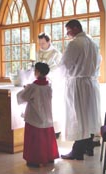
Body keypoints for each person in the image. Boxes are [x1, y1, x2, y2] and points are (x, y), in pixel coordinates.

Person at [60, 19, 101, 160]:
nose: (68, 34)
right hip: (91, 83)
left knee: (78, 118)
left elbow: (65, 65)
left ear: (76, 28)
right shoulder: (93, 43)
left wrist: (56, 77)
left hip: (78, 84)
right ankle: (88, 147)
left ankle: (77, 151)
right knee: (88, 117)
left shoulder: (75, 43)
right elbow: (98, 63)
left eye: (69, 30)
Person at [17, 62, 59, 167]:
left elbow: (22, 97)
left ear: (38, 72)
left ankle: (34, 160)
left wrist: (24, 88)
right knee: (47, 137)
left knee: (34, 139)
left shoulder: (33, 86)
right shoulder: (48, 85)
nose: (34, 72)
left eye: (35, 70)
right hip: (47, 115)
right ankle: (49, 157)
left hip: (34, 116)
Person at [37, 32, 63, 135]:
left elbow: (58, 68)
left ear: (49, 41)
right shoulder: (38, 52)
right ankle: (43, 128)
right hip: (41, 83)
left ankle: (55, 130)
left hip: (53, 83)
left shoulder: (56, 53)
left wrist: (47, 75)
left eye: (43, 43)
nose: (41, 46)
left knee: (53, 106)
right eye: (40, 43)